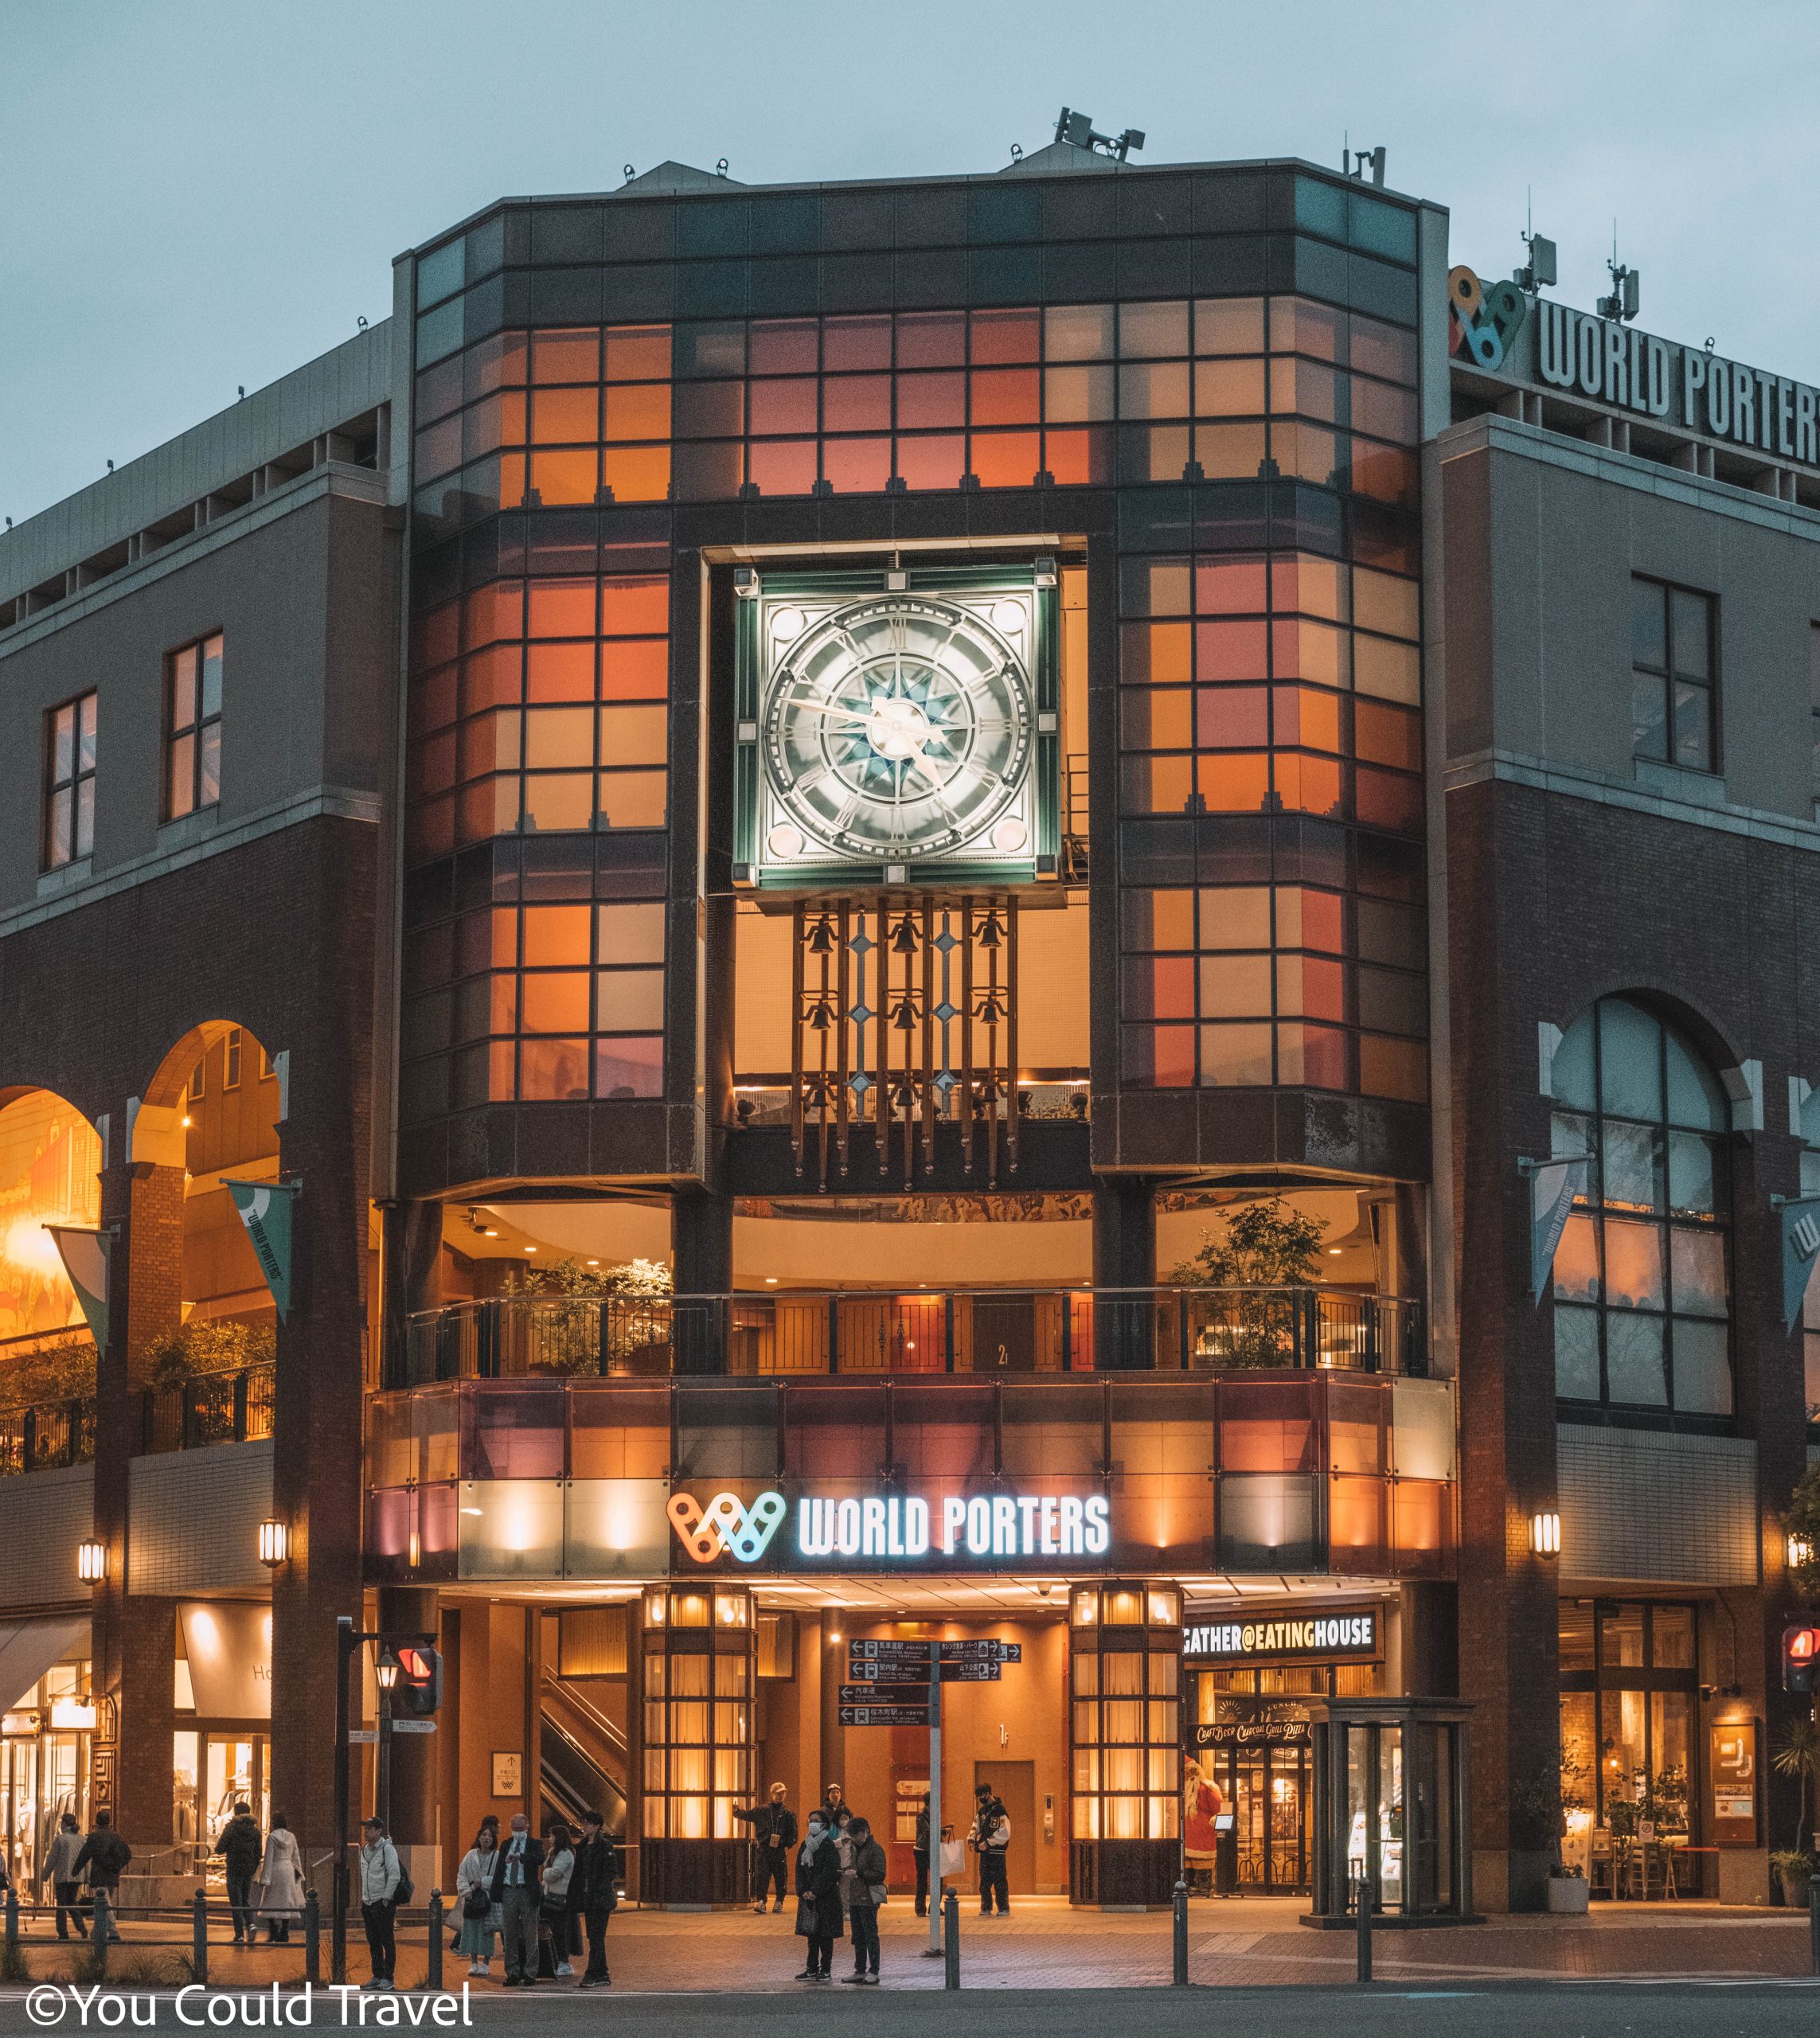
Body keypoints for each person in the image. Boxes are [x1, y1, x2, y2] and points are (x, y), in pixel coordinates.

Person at [489, 1812, 544, 1987]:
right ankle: (512, 1972)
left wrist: (520, 1857)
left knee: (530, 1933)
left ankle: (530, 1972)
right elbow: (499, 1868)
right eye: (514, 1828)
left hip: (526, 1890)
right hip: (509, 1890)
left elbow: (539, 1859)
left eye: (520, 1828)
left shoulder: (534, 1844)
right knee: (509, 1933)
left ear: (527, 1826)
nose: (517, 1831)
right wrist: (497, 1891)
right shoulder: (506, 1844)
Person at [792, 1809, 843, 1982]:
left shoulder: (828, 1845)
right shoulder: (804, 1845)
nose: (812, 1824)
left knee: (825, 1936)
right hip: (809, 1899)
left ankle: (826, 1969)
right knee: (811, 1935)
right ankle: (811, 1968)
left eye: (816, 1821)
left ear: (824, 1824)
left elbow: (830, 1872)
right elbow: (799, 1870)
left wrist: (815, 1891)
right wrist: (803, 1891)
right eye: (810, 1821)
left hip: (826, 1898)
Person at [571, 1809, 619, 1990]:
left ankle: (592, 1974)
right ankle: (603, 1973)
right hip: (588, 1898)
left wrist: (598, 1889)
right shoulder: (583, 1847)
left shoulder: (604, 1846)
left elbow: (611, 1871)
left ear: (597, 1826)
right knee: (594, 1936)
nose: (584, 1827)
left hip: (600, 1899)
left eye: (587, 1824)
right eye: (583, 1823)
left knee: (596, 1936)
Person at [839, 1814, 887, 1986]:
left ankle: (874, 1971)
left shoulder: (875, 1849)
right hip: (855, 1898)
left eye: (857, 1835)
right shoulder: (854, 1849)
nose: (855, 1839)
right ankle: (859, 1970)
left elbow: (880, 1874)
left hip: (868, 1898)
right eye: (852, 1836)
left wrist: (858, 1874)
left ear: (866, 1832)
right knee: (858, 1937)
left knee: (870, 1935)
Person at [734, 1782, 797, 1913]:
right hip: (764, 1848)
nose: (781, 1796)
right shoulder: (762, 1810)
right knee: (762, 1875)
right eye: (778, 1793)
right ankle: (761, 1901)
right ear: (772, 1794)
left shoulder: (788, 1814)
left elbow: (793, 1833)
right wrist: (737, 1812)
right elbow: (748, 1815)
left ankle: (779, 1900)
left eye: (783, 1793)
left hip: (780, 1849)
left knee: (781, 1876)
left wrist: (787, 1845)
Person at [357, 1817, 401, 1990]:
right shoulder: (365, 1851)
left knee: (386, 1940)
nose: (366, 1831)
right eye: (366, 1828)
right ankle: (377, 1975)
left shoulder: (387, 1850)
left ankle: (389, 1978)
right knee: (373, 1940)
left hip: (382, 1902)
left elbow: (394, 1875)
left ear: (378, 1831)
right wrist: (364, 1898)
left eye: (370, 1828)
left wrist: (386, 1898)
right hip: (368, 1902)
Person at [72, 1812, 130, 1942]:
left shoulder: (94, 1837)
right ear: (109, 1821)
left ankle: (113, 1932)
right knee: (103, 1903)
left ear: (97, 1821)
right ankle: (96, 1932)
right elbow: (127, 1853)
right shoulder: (116, 1836)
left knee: (105, 1903)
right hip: (113, 1874)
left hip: (100, 1875)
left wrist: (75, 1870)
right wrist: (118, 1866)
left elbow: (84, 1855)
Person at [454, 1823, 502, 1978]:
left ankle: (486, 1964)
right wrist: (465, 1891)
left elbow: (500, 1878)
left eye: (490, 1836)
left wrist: (484, 1881)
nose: (486, 1838)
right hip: (472, 1898)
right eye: (484, 1835)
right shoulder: (471, 1855)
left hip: (488, 1899)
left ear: (493, 1839)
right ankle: (473, 1963)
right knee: (471, 1930)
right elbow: (462, 1874)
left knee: (487, 1930)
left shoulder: (497, 1856)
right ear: (479, 1837)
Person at [215, 1799, 264, 1944]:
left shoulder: (231, 1828)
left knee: (235, 1901)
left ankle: (239, 1935)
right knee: (245, 1899)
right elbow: (258, 1853)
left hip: (233, 1868)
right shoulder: (255, 1831)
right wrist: (252, 1868)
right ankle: (251, 1924)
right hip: (248, 1870)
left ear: (235, 1813)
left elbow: (219, 1849)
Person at [256, 1813, 305, 1943]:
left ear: (273, 1823)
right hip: (288, 1869)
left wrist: (264, 1879)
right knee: (287, 1900)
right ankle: (285, 1931)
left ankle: (273, 1930)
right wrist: (299, 1873)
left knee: (269, 1900)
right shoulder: (291, 1836)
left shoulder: (272, 1837)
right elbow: (296, 1857)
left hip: (275, 1870)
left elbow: (268, 1858)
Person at [537, 1822, 576, 1979]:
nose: (550, 1839)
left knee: (560, 1931)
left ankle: (564, 1962)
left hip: (560, 1897)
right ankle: (558, 1961)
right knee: (554, 1930)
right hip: (551, 1895)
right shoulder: (554, 1852)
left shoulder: (566, 1854)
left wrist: (546, 1872)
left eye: (552, 1835)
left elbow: (554, 1874)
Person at [1181, 1759, 1224, 1897]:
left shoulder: (1206, 1789)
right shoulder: (1183, 1792)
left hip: (1203, 1838)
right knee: (1189, 1864)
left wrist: (1216, 1817)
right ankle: (1191, 1886)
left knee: (1202, 1864)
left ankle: (1203, 1887)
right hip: (1188, 1837)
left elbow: (1220, 1809)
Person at [41, 1813, 85, 1941]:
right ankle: (81, 1928)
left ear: (64, 1823)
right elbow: (86, 1860)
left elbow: (52, 1859)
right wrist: (87, 1877)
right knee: (72, 1902)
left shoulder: (60, 1839)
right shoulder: (82, 1839)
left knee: (61, 1905)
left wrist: (45, 1875)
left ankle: (63, 1933)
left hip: (62, 1876)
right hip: (77, 1877)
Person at [971, 1783, 1010, 1916]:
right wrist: (972, 1839)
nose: (980, 1799)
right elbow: (975, 1827)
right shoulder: (982, 1812)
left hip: (997, 1852)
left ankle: (1003, 1908)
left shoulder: (1000, 1811)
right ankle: (986, 1907)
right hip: (985, 1853)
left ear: (988, 1794)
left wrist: (988, 1842)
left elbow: (1004, 1832)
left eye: (981, 1795)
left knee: (1000, 1881)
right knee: (984, 1882)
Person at [912, 1795, 930, 1918]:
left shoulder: (935, 1813)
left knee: (938, 1879)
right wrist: (942, 1832)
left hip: (933, 1850)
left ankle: (934, 1907)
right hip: (921, 1850)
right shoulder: (921, 1815)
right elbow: (927, 1831)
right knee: (922, 1880)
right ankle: (920, 1909)